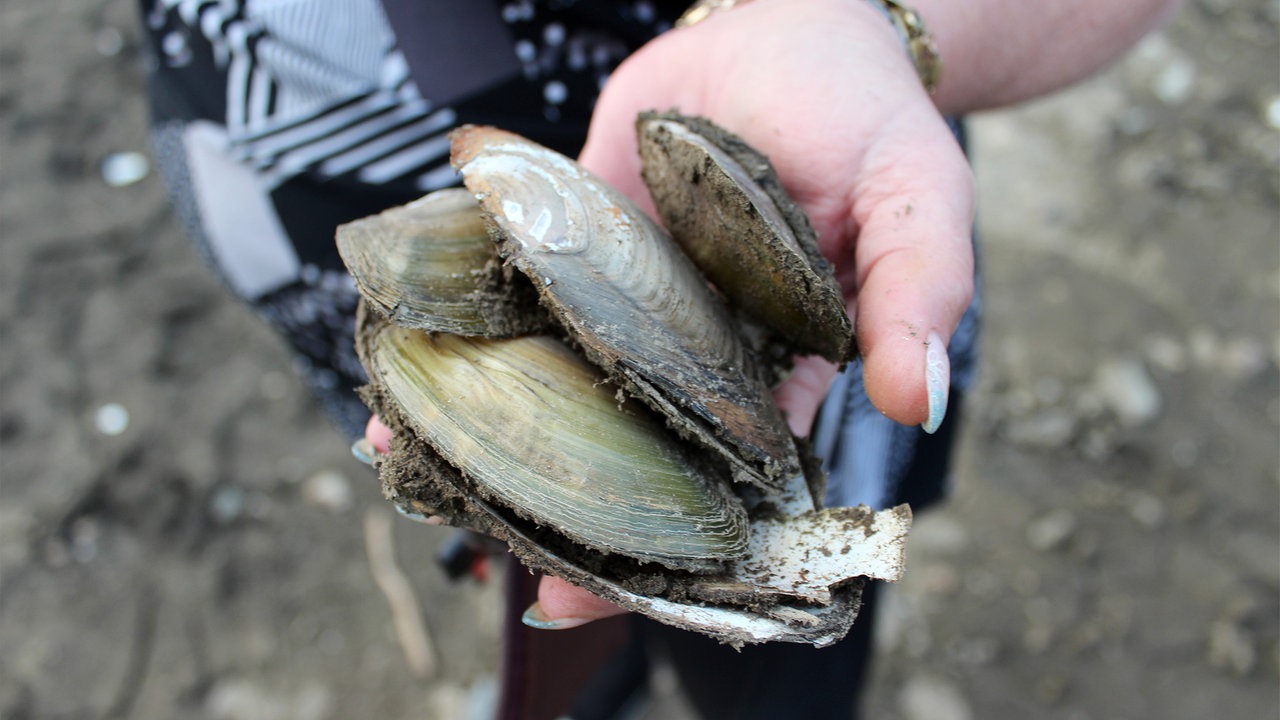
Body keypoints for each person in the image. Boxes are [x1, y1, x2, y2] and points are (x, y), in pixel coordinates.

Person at [140, 1, 1179, 717]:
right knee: (513, 497)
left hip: (801, 129)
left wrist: (877, 23)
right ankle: (601, 653)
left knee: (769, 601)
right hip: (307, 144)